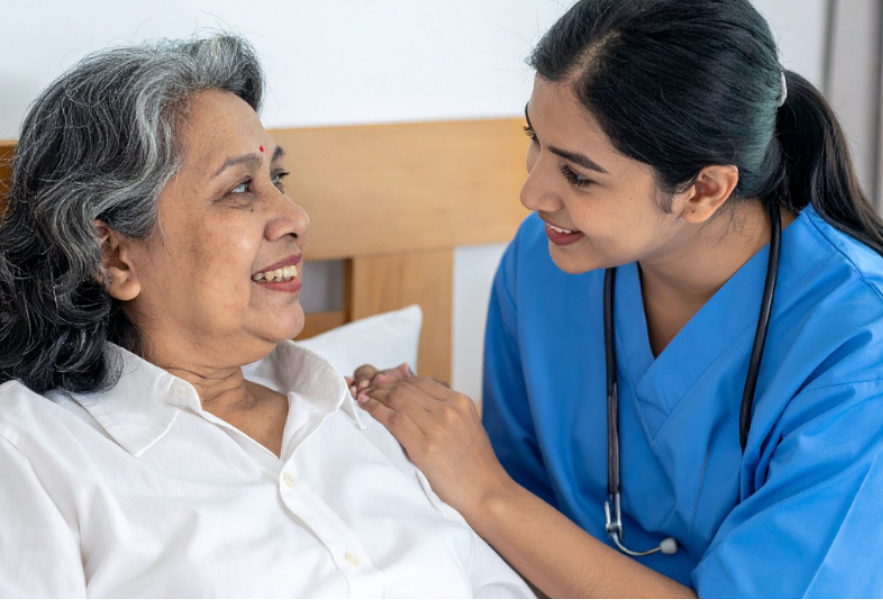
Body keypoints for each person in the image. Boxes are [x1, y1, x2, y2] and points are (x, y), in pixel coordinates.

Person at [350, 1, 883, 598]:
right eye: (535, 139)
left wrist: (485, 491)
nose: (531, 193)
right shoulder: (540, 266)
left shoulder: (866, 350)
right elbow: (507, 539)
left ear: (703, 190)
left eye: (579, 176)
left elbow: (498, 498)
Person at [0, 35, 535, 600]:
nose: (296, 217)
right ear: (113, 256)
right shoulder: (31, 454)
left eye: (277, 180)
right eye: (239, 188)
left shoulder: (373, 418)